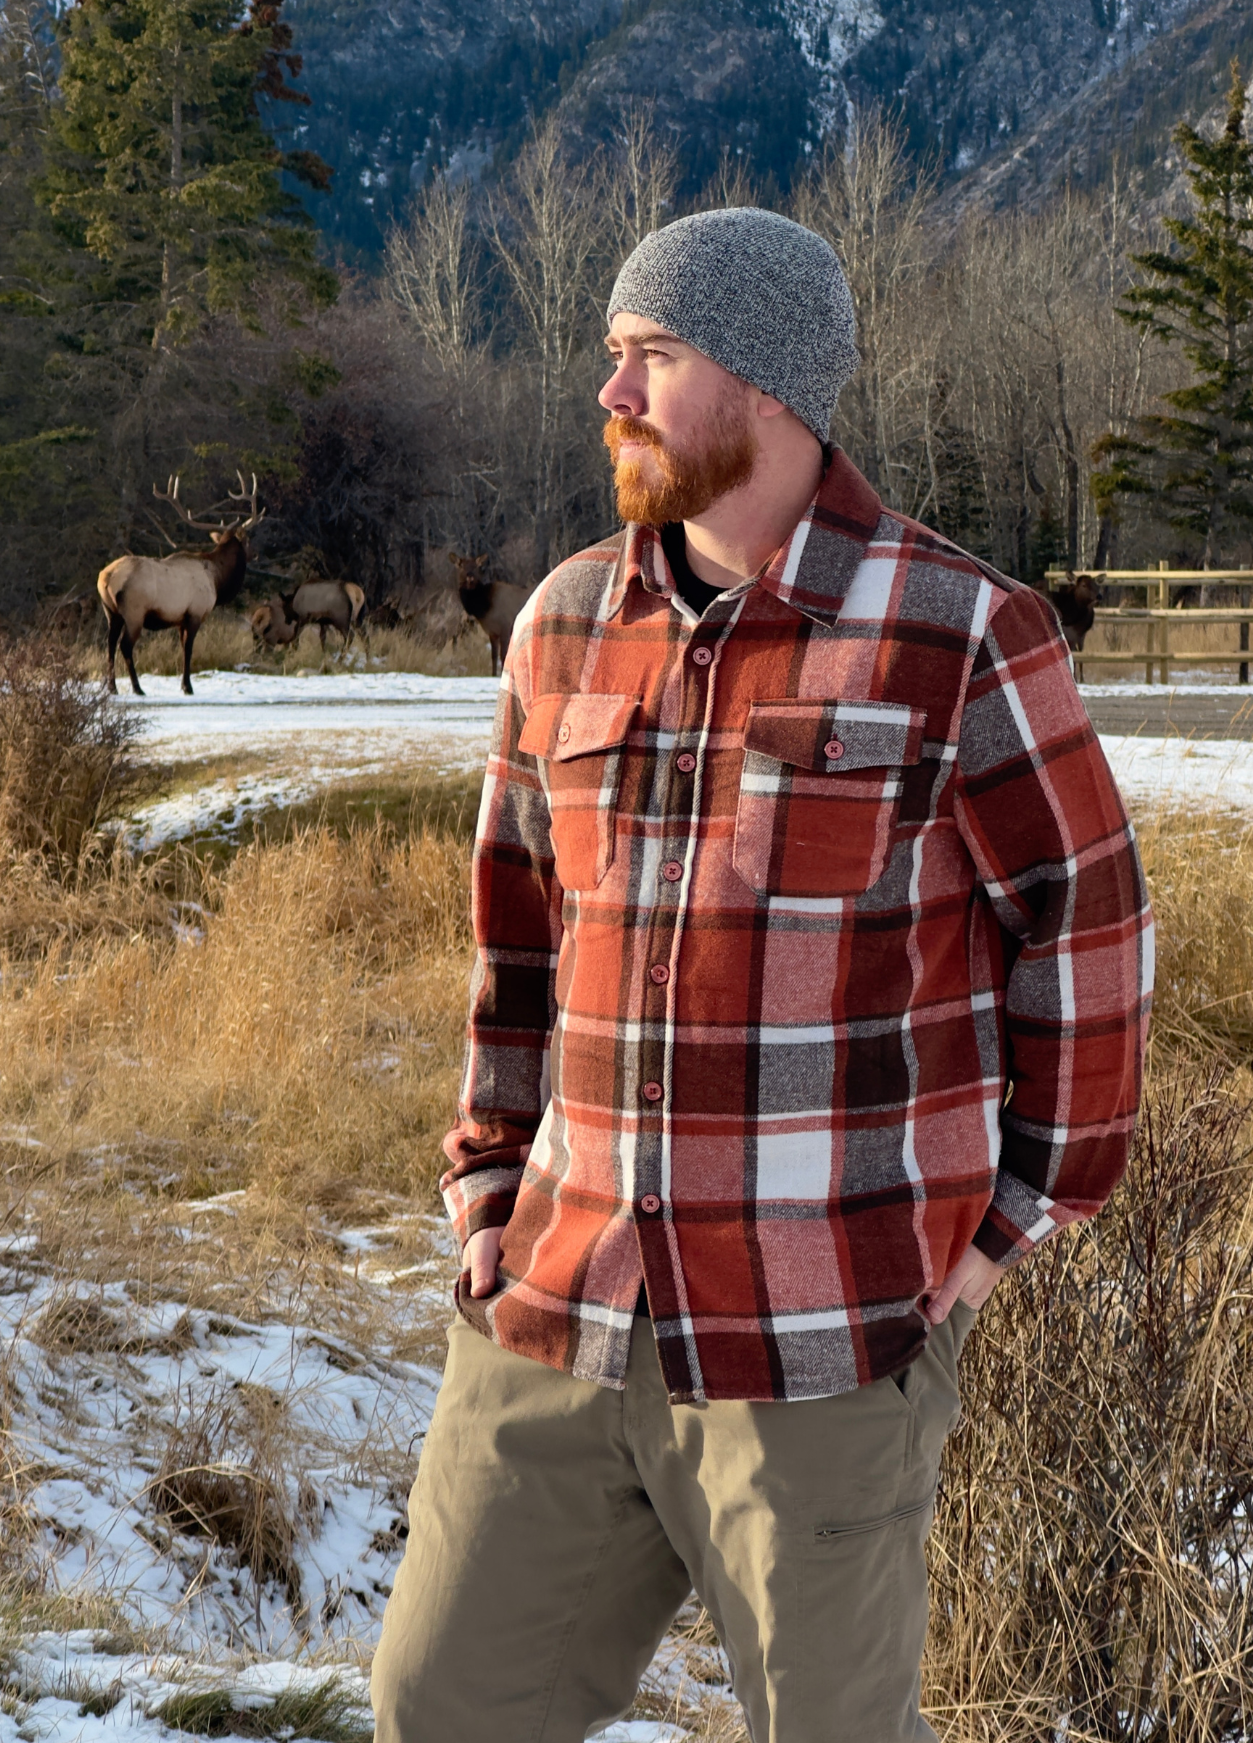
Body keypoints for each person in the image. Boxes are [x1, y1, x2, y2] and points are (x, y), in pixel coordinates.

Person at [370, 208, 1153, 1743]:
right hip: (562, 1302)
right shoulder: (563, 626)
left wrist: (1006, 1225)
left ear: (772, 387)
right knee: (439, 1706)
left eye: (652, 357)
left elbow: (1090, 928)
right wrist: (481, 1190)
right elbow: (516, 945)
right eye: (613, 355)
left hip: (819, 1344)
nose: (611, 394)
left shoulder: (963, 634)